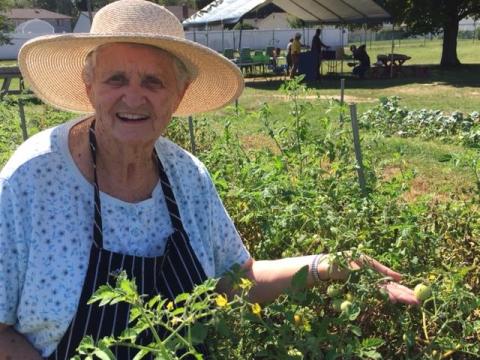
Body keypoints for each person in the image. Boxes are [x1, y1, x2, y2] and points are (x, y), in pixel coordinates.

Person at [0, 1, 419, 359]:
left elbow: (237, 280)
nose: (133, 97)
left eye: (153, 81)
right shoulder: (32, 179)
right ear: (88, 86)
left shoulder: (186, 177)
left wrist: (332, 265)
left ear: (178, 95)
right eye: (116, 79)